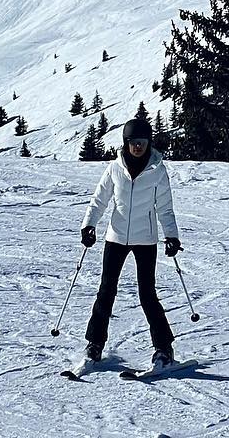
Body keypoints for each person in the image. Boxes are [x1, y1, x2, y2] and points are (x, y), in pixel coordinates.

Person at [80, 114, 182, 368]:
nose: (138, 146)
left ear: (149, 143)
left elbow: (165, 208)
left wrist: (171, 236)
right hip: (115, 237)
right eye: (133, 142)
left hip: (145, 240)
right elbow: (99, 199)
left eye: (143, 142)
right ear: (126, 143)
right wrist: (89, 225)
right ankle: (94, 344)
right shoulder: (114, 168)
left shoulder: (158, 171)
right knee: (106, 291)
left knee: (147, 294)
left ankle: (163, 349)